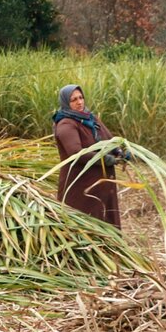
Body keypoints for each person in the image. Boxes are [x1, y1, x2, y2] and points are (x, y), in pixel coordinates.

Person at [52, 84, 125, 228]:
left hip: (102, 183)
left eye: (81, 97)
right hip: (81, 186)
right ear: (66, 102)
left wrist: (119, 152)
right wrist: (105, 159)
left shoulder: (91, 119)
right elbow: (77, 153)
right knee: (86, 226)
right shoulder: (66, 124)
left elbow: (109, 140)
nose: (79, 102)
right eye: (73, 100)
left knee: (106, 222)